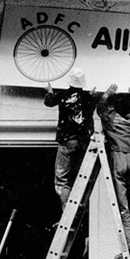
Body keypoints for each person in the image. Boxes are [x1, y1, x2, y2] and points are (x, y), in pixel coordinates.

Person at [97, 84, 130, 259]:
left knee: (123, 206)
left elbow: (100, 108)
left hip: (118, 159)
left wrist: (107, 93)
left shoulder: (112, 119)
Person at [44, 68, 95, 211]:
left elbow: (49, 102)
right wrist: (91, 95)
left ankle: (67, 210)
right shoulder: (88, 98)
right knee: (79, 176)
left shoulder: (63, 95)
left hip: (67, 141)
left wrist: (49, 90)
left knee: (62, 180)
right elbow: (90, 107)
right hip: (84, 142)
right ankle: (78, 209)